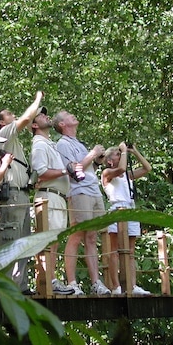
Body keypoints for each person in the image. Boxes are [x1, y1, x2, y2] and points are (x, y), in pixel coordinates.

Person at [53, 110, 111, 295]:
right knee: (77, 235)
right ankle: (72, 283)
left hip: (94, 191)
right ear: (62, 124)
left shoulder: (78, 143)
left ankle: (96, 283)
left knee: (92, 237)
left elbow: (86, 168)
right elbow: (74, 171)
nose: (73, 116)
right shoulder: (62, 144)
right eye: (68, 115)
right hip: (79, 192)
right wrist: (92, 154)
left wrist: (97, 160)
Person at [0, 91, 44, 295]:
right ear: (1, 122)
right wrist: (38, 98)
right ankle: (4, 287)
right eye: (9, 114)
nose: (13, 116)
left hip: (22, 195)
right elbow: (25, 119)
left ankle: (19, 285)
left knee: (24, 242)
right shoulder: (3, 135)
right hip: (12, 195)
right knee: (10, 240)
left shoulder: (14, 141)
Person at [30, 108, 75, 295]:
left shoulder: (49, 144)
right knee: (49, 242)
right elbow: (42, 172)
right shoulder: (39, 145)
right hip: (48, 197)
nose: (45, 117)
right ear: (34, 125)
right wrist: (66, 171)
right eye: (40, 116)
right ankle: (47, 281)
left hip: (57, 198)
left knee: (54, 241)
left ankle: (51, 280)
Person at [101, 142, 152, 295]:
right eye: (117, 154)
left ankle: (132, 285)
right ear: (110, 160)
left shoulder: (127, 176)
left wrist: (134, 151)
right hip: (116, 209)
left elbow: (147, 168)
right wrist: (123, 151)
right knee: (115, 250)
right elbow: (121, 168)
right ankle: (116, 287)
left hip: (130, 209)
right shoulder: (107, 173)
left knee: (130, 251)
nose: (121, 155)